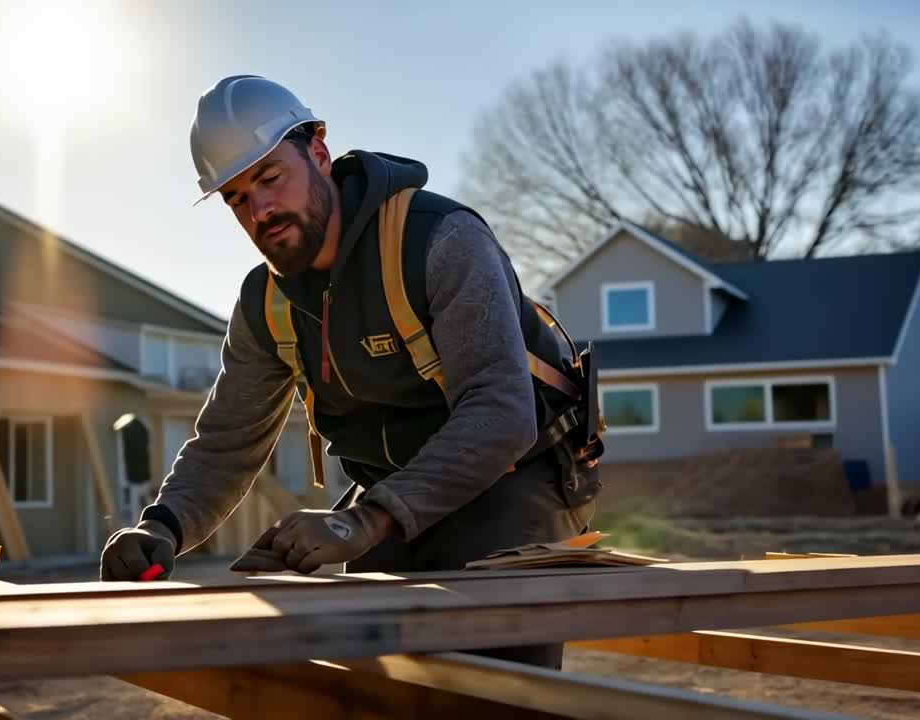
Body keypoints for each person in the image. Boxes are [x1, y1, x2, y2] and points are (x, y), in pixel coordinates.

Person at [99, 75, 605, 669]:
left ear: (318, 151)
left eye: (269, 178)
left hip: (518, 481)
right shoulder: (266, 305)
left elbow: (500, 414)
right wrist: (162, 526)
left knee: (491, 687)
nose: (260, 210)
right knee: (371, 677)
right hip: (390, 498)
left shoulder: (439, 241)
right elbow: (226, 443)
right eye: (236, 197)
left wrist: (365, 520)